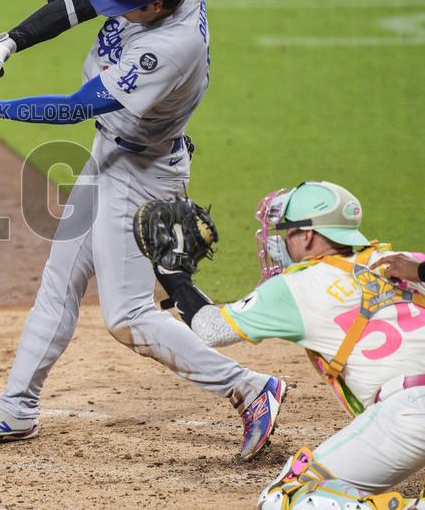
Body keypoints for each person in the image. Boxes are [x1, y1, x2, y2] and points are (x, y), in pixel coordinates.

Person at [0, 0, 283, 460]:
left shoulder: (169, 49)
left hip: (142, 173)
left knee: (127, 316)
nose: (108, 12)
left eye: (122, 8)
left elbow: (75, 108)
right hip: (111, 154)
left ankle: (248, 388)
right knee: (59, 282)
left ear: (154, 8)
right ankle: (17, 405)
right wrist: (9, 43)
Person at [145, 181, 425, 508]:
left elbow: (210, 328)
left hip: (410, 416)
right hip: (409, 413)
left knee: (286, 499)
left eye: (287, 232)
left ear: (307, 236)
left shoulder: (296, 286)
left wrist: (173, 275)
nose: (279, 241)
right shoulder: (403, 261)